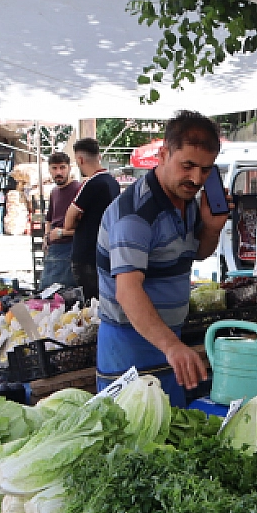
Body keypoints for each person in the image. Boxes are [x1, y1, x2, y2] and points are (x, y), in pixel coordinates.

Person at [97, 111, 226, 400]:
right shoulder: (134, 216)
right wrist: (171, 347)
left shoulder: (187, 201)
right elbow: (127, 291)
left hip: (168, 339)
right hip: (127, 344)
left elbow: (196, 254)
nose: (196, 178)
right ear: (163, 154)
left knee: (173, 431)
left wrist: (213, 229)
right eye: (188, 165)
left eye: (206, 170)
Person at [60, 138, 119, 303]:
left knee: (90, 304)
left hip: (86, 255)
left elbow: (69, 221)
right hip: (106, 252)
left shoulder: (91, 183)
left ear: (80, 159)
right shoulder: (112, 182)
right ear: (98, 156)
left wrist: (78, 219)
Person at [39, 148, 80, 290]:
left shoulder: (79, 189)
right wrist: (46, 237)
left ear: (69, 168)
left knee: (66, 294)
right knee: (46, 293)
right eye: (54, 168)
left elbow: (87, 226)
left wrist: (62, 233)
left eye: (62, 167)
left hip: (71, 247)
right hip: (54, 249)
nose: (58, 172)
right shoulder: (54, 192)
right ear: (49, 170)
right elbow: (49, 218)